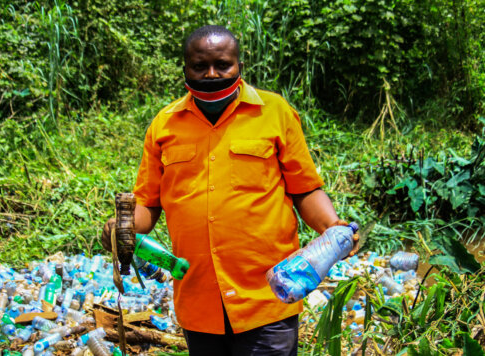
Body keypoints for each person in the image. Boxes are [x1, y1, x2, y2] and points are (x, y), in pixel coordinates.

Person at [102, 25, 359, 356]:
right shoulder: (164, 125)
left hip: (268, 294)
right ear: (185, 68)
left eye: (222, 65)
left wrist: (331, 227)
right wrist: (122, 228)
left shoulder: (275, 113)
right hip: (198, 300)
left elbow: (305, 190)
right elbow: (148, 205)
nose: (211, 74)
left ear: (239, 65)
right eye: (199, 66)